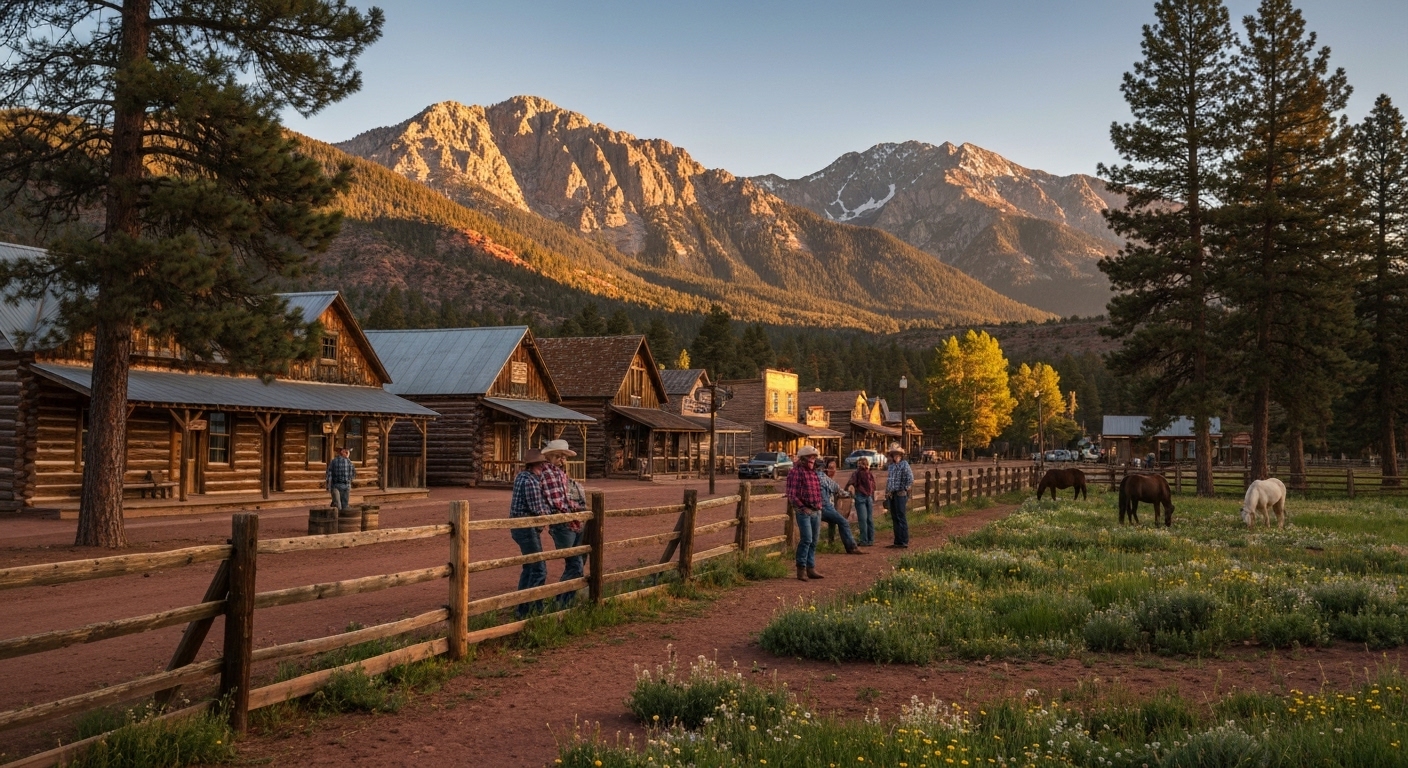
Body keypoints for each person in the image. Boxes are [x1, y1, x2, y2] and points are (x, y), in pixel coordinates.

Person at [540, 439, 586, 608]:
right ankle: (562, 602)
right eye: (558, 456)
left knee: (576, 561)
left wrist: (577, 508)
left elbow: (565, 498)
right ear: (549, 456)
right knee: (575, 564)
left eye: (564, 457)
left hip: (568, 520)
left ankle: (565, 600)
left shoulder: (559, 473)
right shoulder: (548, 473)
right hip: (563, 523)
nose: (562, 460)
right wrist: (574, 511)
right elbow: (557, 501)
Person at [508, 450, 552, 618]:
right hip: (526, 527)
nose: (543, 467)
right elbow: (538, 509)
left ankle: (522, 609)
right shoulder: (530, 481)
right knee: (538, 569)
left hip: (520, 526)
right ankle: (534, 609)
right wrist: (552, 511)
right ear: (535, 465)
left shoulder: (521, 477)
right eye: (541, 464)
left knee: (529, 567)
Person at [785, 444, 824, 580]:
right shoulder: (796, 472)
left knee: (814, 540)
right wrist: (803, 507)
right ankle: (801, 568)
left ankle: (810, 568)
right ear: (803, 459)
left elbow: (817, 491)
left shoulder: (813, 472)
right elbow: (792, 494)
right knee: (807, 539)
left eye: (814, 457)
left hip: (815, 510)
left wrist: (819, 505)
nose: (813, 459)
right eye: (810, 457)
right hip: (804, 511)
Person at [819, 458, 862, 554]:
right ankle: (851, 547)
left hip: (820, 507)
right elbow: (838, 489)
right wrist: (849, 493)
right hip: (825, 507)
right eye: (830, 468)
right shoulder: (823, 478)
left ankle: (832, 544)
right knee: (843, 522)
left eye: (834, 468)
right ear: (824, 468)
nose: (832, 470)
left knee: (836, 522)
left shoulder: (815, 477)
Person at [884, 443, 913, 548]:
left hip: (900, 493)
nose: (895, 456)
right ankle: (897, 541)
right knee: (895, 517)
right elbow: (889, 481)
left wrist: (904, 488)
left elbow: (910, 478)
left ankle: (904, 541)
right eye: (893, 454)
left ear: (900, 455)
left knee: (901, 516)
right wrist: (887, 493)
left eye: (897, 454)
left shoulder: (904, 464)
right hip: (892, 494)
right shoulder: (891, 466)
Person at [845, 456, 876, 547]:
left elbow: (850, 482)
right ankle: (868, 539)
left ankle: (865, 540)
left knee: (864, 520)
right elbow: (873, 485)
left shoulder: (859, 473)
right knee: (867, 519)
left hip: (862, 496)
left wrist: (846, 489)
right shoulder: (867, 474)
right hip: (866, 496)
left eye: (862, 463)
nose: (862, 465)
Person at [325, 446, 354, 511]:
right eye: (346, 452)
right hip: (336, 485)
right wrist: (329, 486)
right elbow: (329, 474)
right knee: (338, 505)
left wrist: (349, 484)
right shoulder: (334, 461)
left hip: (346, 486)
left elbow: (352, 474)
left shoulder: (349, 462)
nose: (348, 453)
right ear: (342, 452)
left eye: (348, 452)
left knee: (344, 506)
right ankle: (334, 516)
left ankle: (340, 518)